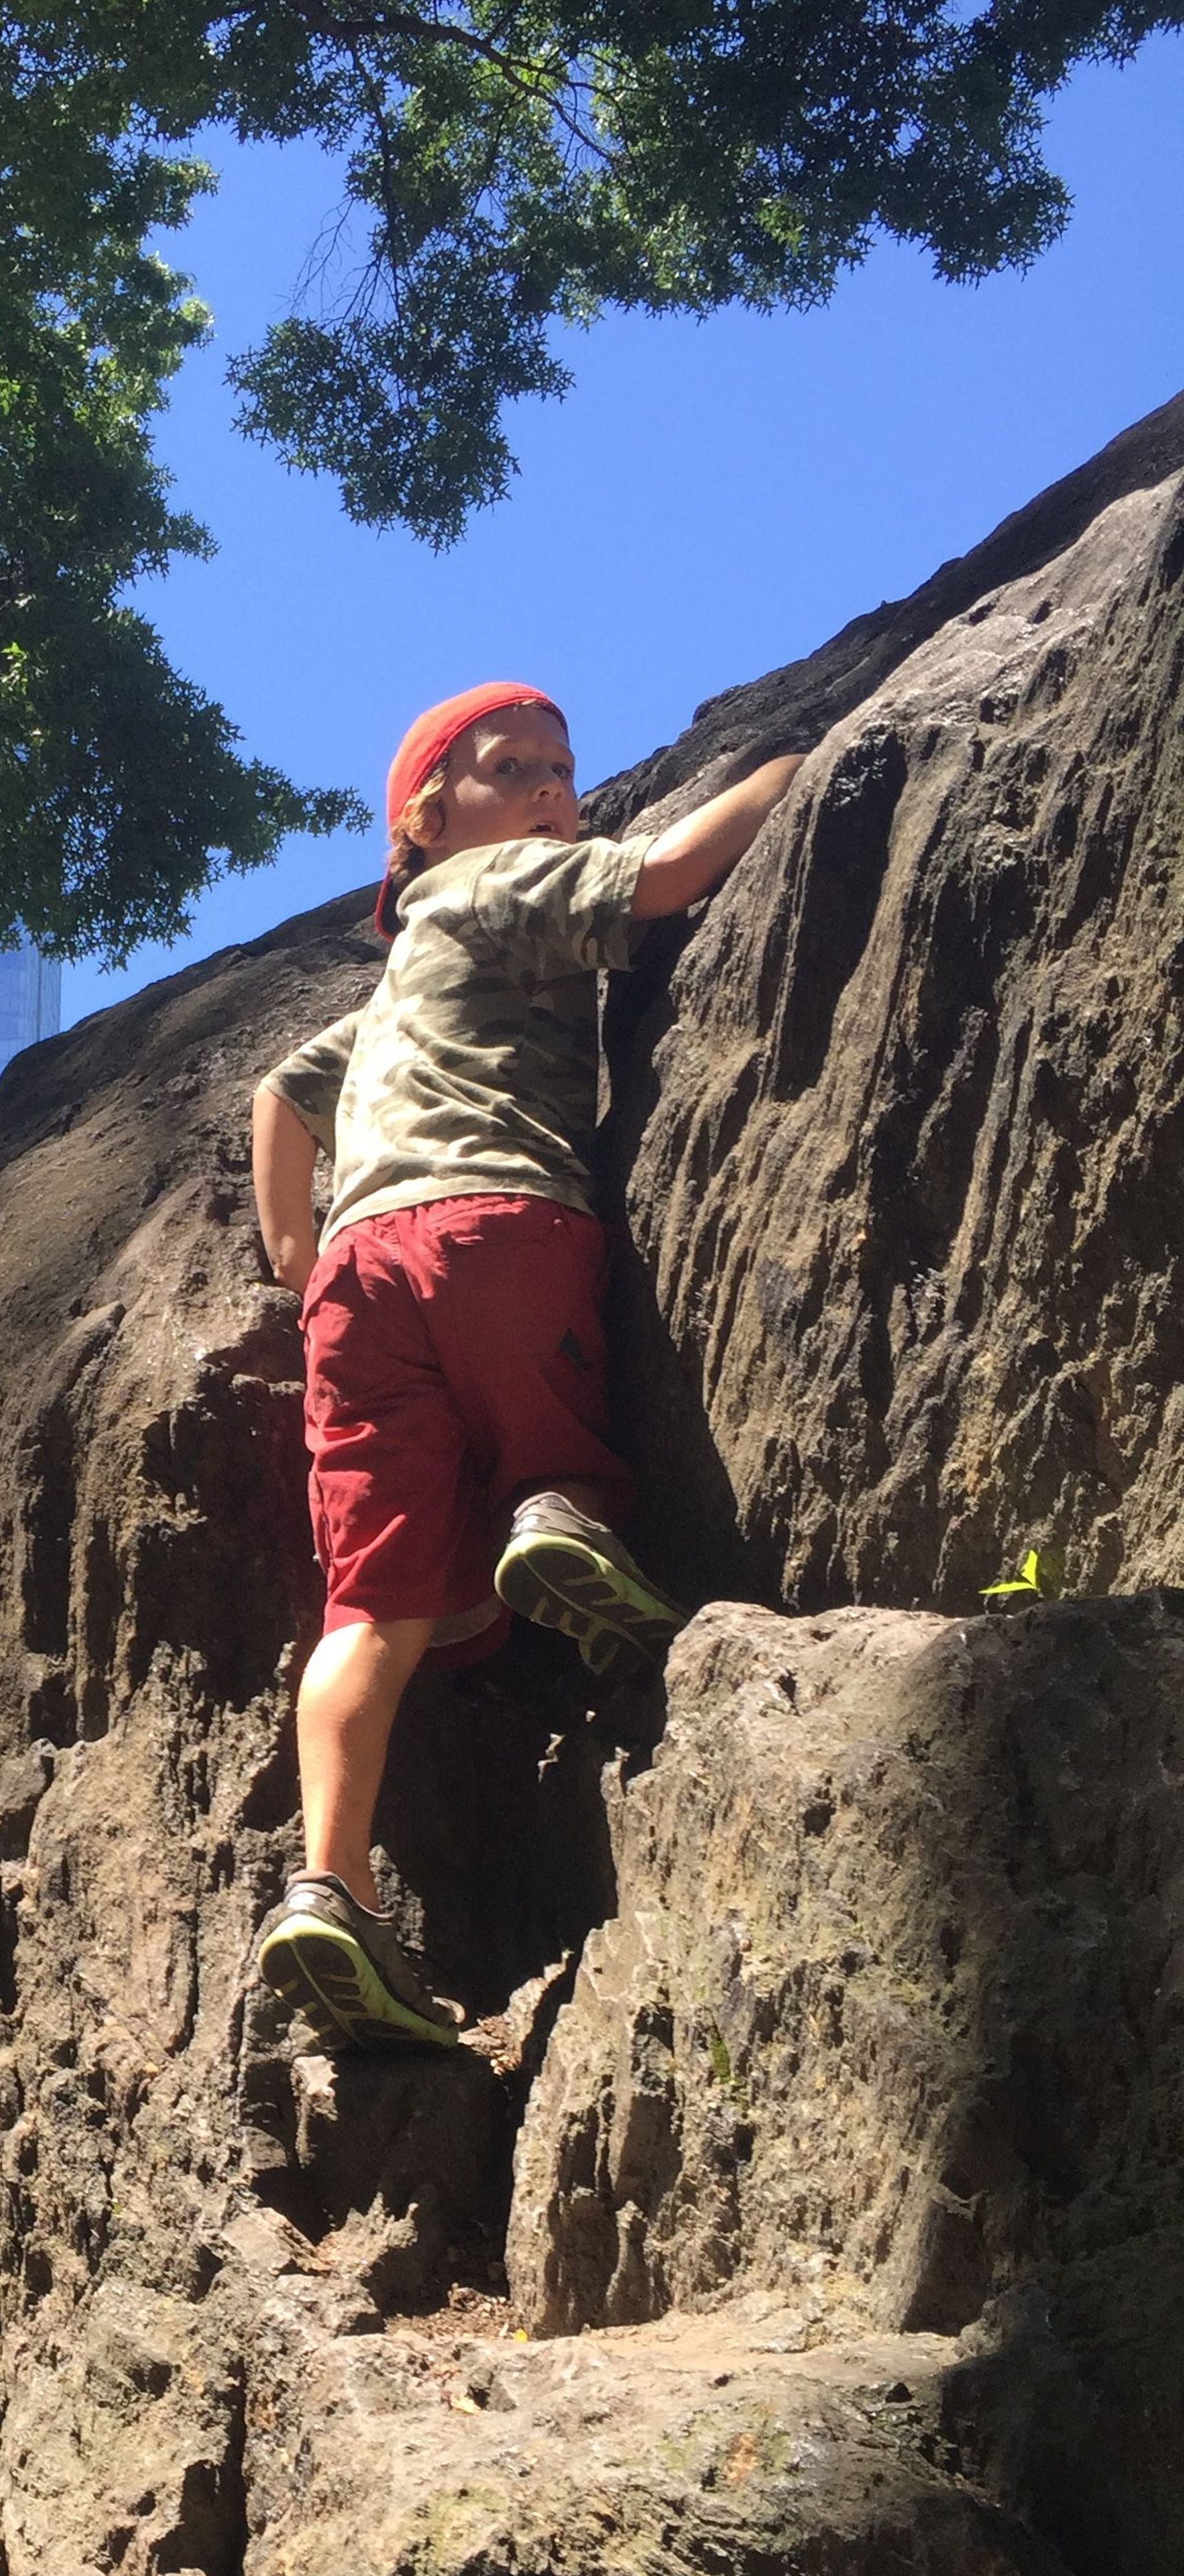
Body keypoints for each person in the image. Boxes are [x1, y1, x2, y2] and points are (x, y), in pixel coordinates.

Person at [251, 682, 804, 2049]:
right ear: (427, 821)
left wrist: (290, 1244)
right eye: (516, 767)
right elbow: (669, 875)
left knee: (367, 1607)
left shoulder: (389, 989)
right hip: (496, 1216)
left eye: (564, 767)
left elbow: (281, 1089)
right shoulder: (513, 881)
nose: (557, 787)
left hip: (354, 1284)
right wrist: (792, 769)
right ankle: (564, 1517)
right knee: (546, 1419)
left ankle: (333, 1882)